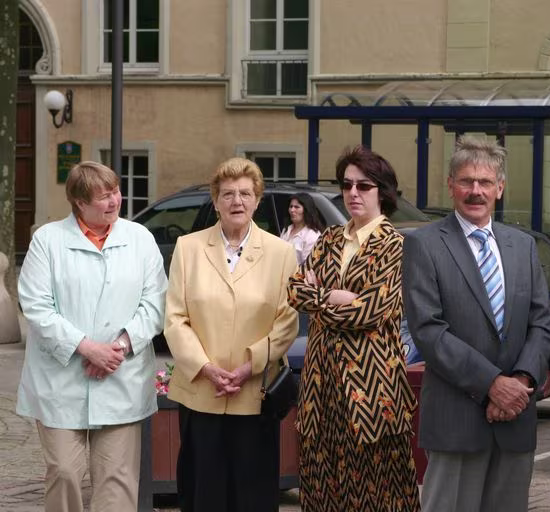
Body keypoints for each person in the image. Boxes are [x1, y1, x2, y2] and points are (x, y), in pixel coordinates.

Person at [402, 135, 550, 512]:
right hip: (456, 421)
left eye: (485, 182)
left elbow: (541, 323)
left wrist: (520, 381)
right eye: (466, 181)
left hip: (515, 418)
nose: (476, 191)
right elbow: (429, 330)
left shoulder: (522, 245)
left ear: (500, 188)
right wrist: (492, 385)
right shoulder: (424, 244)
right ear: (450, 185)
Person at [16, 161, 167, 511]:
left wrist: (118, 347)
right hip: (60, 380)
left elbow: (156, 301)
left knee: (117, 479)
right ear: (79, 203)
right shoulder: (48, 241)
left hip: (121, 375)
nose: (114, 201)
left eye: (115, 191)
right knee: (64, 471)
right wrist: (85, 347)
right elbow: (36, 306)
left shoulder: (140, 238)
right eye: (103, 197)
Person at [287, 146, 420, 512]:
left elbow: (370, 312)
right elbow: (294, 291)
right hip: (321, 393)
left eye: (364, 185)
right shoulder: (329, 238)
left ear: (383, 191)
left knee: (380, 498)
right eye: (346, 185)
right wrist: (336, 297)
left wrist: (320, 299)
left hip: (373, 393)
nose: (353, 193)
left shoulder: (398, 246)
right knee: (322, 495)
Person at [164, 157, 299, 512]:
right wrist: (206, 368)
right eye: (227, 194)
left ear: (257, 200)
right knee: (202, 494)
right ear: (215, 201)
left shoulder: (282, 253)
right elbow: (175, 318)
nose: (236, 201)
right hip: (201, 392)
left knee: (253, 497)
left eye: (245, 193)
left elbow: (287, 321)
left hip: (255, 393)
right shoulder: (188, 248)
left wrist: (248, 367)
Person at [280, 192, 325, 265]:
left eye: (296, 207)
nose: (292, 210)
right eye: (291, 206)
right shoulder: (286, 229)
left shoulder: (312, 235)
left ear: (306, 210)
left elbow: (309, 266)